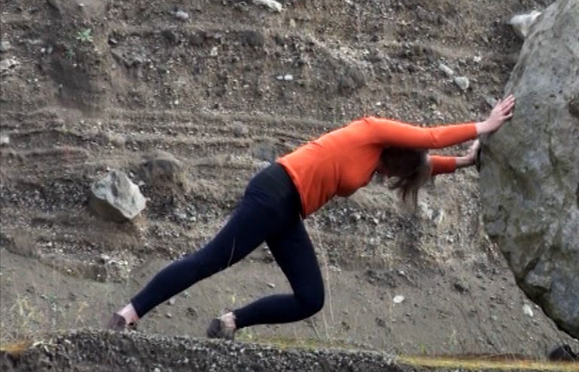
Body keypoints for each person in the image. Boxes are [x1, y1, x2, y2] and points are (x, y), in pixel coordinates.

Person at [106, 95, 515, 339]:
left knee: (310, 298)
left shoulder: (379, 161)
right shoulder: (371, 131)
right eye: (393, 172)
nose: (385, 179)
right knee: (210, 259)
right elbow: (427, 138)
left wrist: (464, 161)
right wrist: (484, 125)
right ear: (394, 154)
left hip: (288, 211)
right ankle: (128, 315)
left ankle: (230, 322)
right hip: (275, 191)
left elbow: (426, 161)